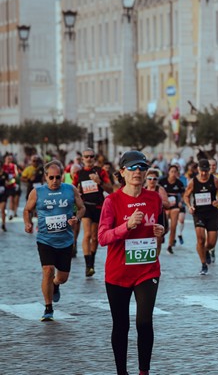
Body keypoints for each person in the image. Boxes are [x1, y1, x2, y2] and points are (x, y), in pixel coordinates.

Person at [98, 151, 165, 375]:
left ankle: (144, 371)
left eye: (142, 168)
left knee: (144, 322)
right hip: (118, 273)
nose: (138, 172)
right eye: (133, 168)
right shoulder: (112, 201)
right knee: (121, 326)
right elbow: (102, 237)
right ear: (122, 172)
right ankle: (122, 372)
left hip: (147, 269)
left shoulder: (154, 198)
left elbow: (161, 227)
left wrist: (161, 231)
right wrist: (126, 227)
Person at [23, 160, 85, 321]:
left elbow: (82, 207)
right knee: (48, 270)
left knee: (62, 278)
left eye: (58, 177)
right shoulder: (37, 192)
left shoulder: (70, 190)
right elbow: (27, 210)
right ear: (45, 177)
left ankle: (56, 285)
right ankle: (48, 307)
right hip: (45, 239)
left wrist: (76, 219)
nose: (55, 181)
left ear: (62, 176)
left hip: (65, 240)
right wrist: (27, 222)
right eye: (51, 177)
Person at [183, 159, 218, 275]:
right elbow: (186, 196)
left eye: (206, 171)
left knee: (211, 243)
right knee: (200, 239)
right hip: (199, 213)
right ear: (198, 170)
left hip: (212, 213)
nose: (203, 174)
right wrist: (189, 206)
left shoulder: (215, 181)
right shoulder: (193, 182)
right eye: (201, 171)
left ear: (209, 170)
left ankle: (206, 250)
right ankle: (203, 264)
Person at [72, 148, 113, 277]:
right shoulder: (79, 174)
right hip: (85, 207)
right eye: (86, 157)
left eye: (91, 156)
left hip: (98, 206)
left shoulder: (101, 172)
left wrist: (99, 182)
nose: (89, 159)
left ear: (94, 158)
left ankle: (92, 262)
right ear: (82, 159)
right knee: (87, 234)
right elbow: (73, 189)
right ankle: (87, 265)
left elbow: (110, 189)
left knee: (95, 237)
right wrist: (76, 195)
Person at [159, 165, 185, 254]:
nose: (173, 174)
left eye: (175, 172)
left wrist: (181, 201)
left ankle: (170, 245)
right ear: (168, 172)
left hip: (175, 206)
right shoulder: (162, 182)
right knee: (165, 227)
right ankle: (163, 235)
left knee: (173, 226)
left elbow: (183, 195)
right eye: (172, 171)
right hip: (164, 206)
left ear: (177, 173)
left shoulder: (179, 183)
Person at [144, 168, 170, 256]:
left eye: (154, 179)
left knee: (157, 241)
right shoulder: (142, 189)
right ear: (146, 179)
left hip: (158, 216)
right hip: (145, 217)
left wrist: (157, 200)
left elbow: (167, 204)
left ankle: (155, 260)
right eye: (149, 179)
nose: (152, 181)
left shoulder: (160, 189)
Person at [0, 164, 8, 231]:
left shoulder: (5, 174)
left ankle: (3, 224)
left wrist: (8, 183)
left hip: (3, 194)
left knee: (2, 209)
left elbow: (8, 181)